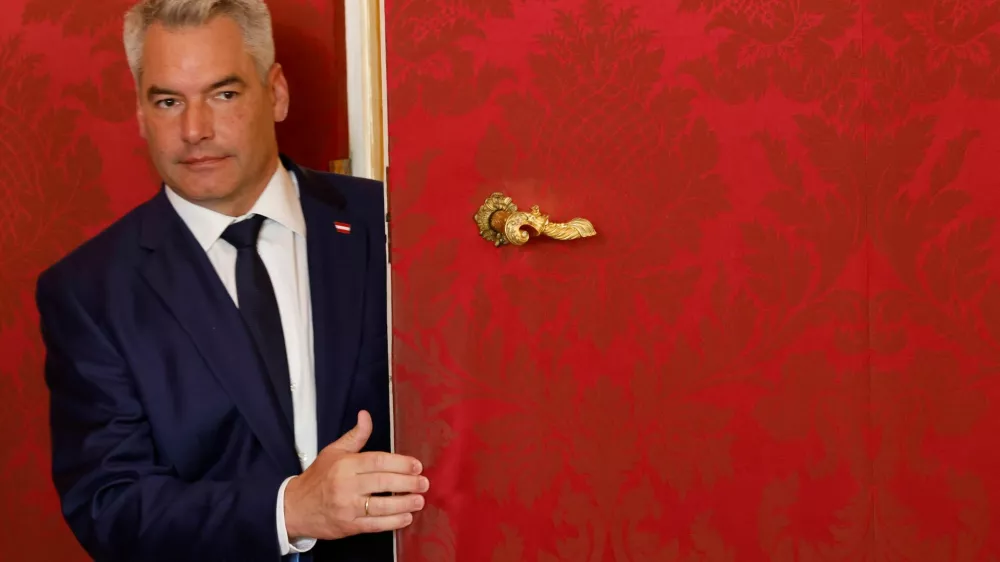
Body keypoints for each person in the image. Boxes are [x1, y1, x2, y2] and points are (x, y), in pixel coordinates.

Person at [34, 0, 427, 560]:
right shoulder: (89, 291)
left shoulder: (392, 223)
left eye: (224, 94)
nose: (194, 130)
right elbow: (110, 507)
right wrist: (290, 511)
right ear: (142, 115)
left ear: (277, 93)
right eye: (168, 101)